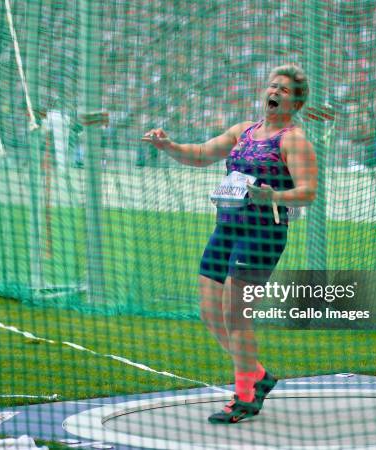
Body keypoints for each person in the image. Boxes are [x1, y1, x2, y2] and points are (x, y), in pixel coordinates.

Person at [142, 63, 317, 424]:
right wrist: (168, 145)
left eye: (284, 90)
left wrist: (272, 195)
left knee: (236, 317)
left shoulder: (293, 140)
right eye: (272, 86)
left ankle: (244, 397)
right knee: (209, 312)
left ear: (295, 103)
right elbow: (202, 154)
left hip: (262, 234)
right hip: (226, 227)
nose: (274, 92)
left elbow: (308, 193)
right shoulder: (244, 131)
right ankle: (258, 376)